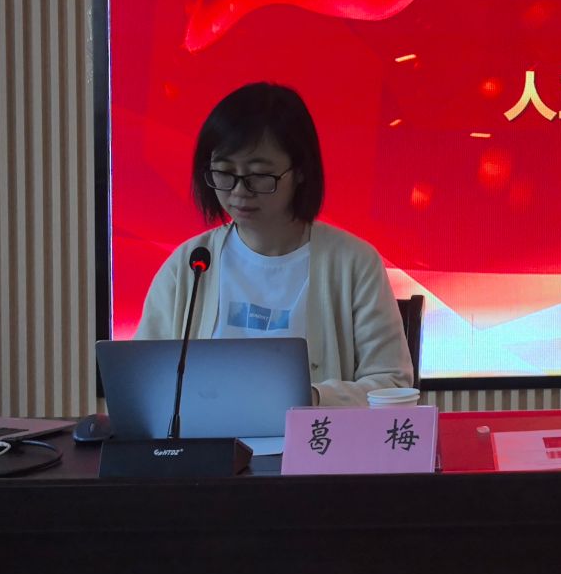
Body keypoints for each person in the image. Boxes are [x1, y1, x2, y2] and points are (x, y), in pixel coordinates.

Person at [135, 82, 412, 406]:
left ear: (300, 172)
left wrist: (313, 398)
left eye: (259, 175)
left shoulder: (353, 263)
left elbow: (392, 384)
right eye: (224, 173)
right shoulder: (191, 264)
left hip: (313, 436)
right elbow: (143, 379)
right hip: (209, 437)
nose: (239, 191)